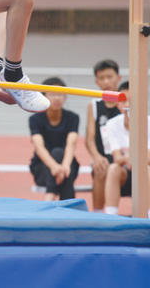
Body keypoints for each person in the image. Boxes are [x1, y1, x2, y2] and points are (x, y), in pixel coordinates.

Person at [29, 77, 80, 201]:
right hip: (42, 168)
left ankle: (49, 199)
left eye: (60, 94)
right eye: (52, 94)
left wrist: (65, 166)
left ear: (65, 97)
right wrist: (54, 167)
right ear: (43, 97)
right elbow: (39, 147)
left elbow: (71, 143)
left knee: (60, 154)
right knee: (58, 153)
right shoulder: (35, 119)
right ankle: (69, 207)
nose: (57, 98)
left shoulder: (73, 117)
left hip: (67, 167)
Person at [104, 81, 150, 217]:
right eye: (124, 101)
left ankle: (148, 214)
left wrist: (133, 159)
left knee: (147, 169)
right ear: (118, 104)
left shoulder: (148, 123)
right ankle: (111, 216)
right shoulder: (112, 124)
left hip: (144, 172)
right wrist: (130, 159)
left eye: (132, 101)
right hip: (125, 172)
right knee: (113, 168)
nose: (128, 105)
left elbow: (148, 158)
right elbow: (116, 157)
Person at [85, 59, 121, 212]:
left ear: (118, 78)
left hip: (124, 158)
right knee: (100, 167)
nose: (106, 81)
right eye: (102, 78)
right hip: (105, 158)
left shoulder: (127, 103)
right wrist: (96, 157)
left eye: (110, 76)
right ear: (96, 81)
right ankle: (98, 214)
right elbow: (90, 139)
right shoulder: (94, 105)